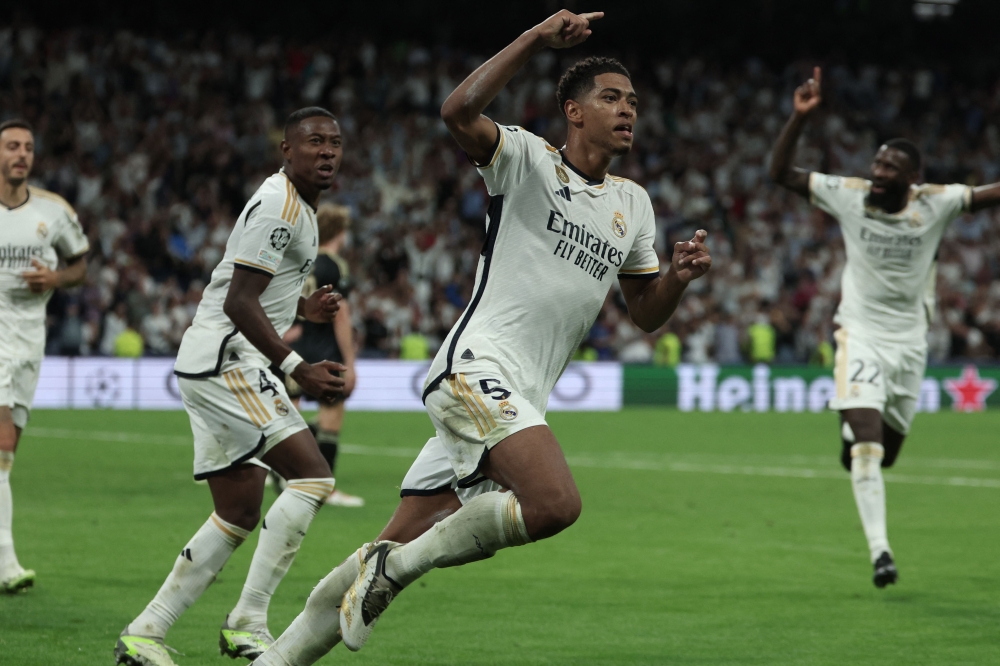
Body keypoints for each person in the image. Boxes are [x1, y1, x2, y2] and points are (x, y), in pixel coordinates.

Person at [251, 10, 712, 664]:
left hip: (521, 396)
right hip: (474, 369)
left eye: (632, 101)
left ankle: (281, 656)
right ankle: (398, 572)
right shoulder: (525, 158)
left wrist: (679, 278)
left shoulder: (633, 204)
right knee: (553, 504)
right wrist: (531, 39)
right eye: (610, 97)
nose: (627, 109)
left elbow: (644, 311)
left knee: (394, 539)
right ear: (573, 112)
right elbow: (457, 111)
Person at [114, 107, 347, 666]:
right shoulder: (280, 207)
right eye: (314, 141)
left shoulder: (304, 209)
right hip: (227, 361)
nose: (328, 152)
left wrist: (302, 307)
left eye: (335, 143)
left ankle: (145, 632)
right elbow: (238, 301)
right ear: (286, 150)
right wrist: (298, 366)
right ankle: (247, 620)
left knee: (239, 509)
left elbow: (254, 289)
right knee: (313, 479)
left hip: (215, 358)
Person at [769, 67, 1000, 587]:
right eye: (876, 162)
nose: (876, 171)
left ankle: (854, 426)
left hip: (911, 344)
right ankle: (881, 552)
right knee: (867, 444)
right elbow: (781, 174)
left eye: (889, 167)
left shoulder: (936, 203)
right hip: (860, 333)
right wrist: (798, 119)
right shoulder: (849, 194)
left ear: (911, 178)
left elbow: (990, 193)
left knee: (883, 455)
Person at [0, 118, 89, 593]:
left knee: (7, 455)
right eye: (12, 146)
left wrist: (54, 279)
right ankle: (6, 563)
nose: (21, 154)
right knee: (0, 446)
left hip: (29, 338)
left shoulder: (53, 211)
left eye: (28, 147)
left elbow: (79, 264)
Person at [280, 203, 364, 507]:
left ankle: (281, 471)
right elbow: (340, 314)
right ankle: (324, 489)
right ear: (339, 233)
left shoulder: (301, 264)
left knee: (291, 415)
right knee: (331, 419)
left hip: (297, 350)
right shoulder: (335, 266)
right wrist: (350, 361)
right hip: (326, 349)